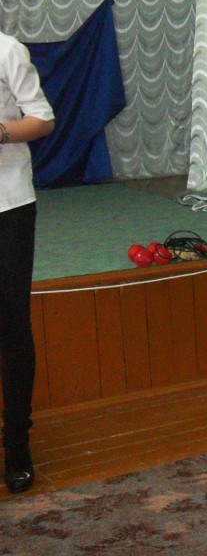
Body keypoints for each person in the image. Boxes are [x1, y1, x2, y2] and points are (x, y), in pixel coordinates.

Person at [0, 31, 55, 494]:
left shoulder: (7, 49)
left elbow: (42, 118)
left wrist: (1, 131)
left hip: (9, 205)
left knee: (11, 325)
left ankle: (17, 441)